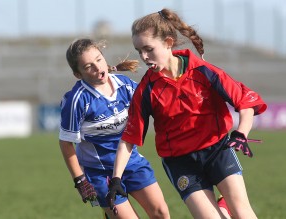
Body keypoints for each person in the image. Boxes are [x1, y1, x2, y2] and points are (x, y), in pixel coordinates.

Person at [107, 8, 267, 219]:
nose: (144, 57)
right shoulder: (146, 90)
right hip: (181, 163)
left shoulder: (203, 71)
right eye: (139, 51)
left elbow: (245, 102)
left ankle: (226, 210)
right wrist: (116, 179)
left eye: (148, 49)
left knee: (243, 213)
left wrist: (241, 133)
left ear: (169, 43)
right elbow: (128, 139)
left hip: (218, 150)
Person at [59, 38, 170, 219]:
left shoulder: (125, 85)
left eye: (98, 59)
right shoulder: (76, 100)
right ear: (78, 74)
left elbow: (154, 105)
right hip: (100, 174)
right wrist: (80, 180)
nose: (97, 68)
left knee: (161, 213)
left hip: (132, 163)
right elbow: (66, 144)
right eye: (88, 67)